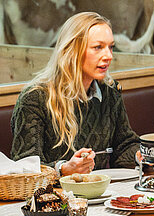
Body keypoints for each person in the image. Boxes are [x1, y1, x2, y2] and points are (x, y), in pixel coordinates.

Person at [12, 11, 140, 174]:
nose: (108, 56)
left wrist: (140, 155)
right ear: (72, 50)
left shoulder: (110, 91)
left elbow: (123, 147)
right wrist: (63, 169)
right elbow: (24, 168)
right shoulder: (34, 99)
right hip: (55, 197)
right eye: (98, 47)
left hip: (100, 194)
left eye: (110, 47)